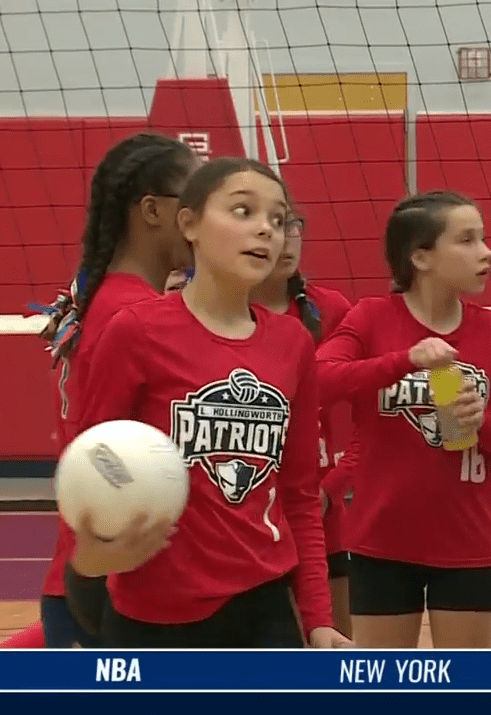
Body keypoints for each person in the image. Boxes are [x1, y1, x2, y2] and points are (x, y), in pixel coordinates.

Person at [65, 157, 349, 648]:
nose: (266, 230)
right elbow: (89, 467)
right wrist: (94, 557)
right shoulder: (136, 332)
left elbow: (301, 494)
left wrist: (320, 618)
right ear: (189, 224)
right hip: (149, 615)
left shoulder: (292, 342)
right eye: (243, 211)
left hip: (264, 609)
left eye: (279, 220)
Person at [316, 191, 491, 649]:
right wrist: (404, 360)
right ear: (421, 256)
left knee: (465, 692)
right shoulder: (372, 317)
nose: (486, 252)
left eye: (484, 239)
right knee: (382, 690)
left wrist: (483, 425)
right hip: (381, 544)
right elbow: (318, 379)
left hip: (469, 546)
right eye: (467, 240)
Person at [31, 132, 200, 648]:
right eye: (195, 202)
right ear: (152, 210)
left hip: (94, 572)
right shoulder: (130, 315)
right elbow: (104, 455)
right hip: (108, 577)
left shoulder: (104, 297)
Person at [251, 210, 355, 637]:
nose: (285, 239)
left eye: (291, 225)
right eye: (273, 227)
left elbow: (364, 422)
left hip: (317, 503)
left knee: (335, 643)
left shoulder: (331, 310)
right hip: (251, 505)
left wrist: (331, 488)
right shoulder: (218, 315)